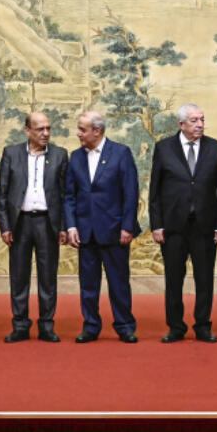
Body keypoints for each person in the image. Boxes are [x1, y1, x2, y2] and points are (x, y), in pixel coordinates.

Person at [149, 103, 217, 343]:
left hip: (205, 226)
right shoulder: (164, 148)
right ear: (181, 124)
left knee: (205, 279)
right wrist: (156, 224)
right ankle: (176, 327)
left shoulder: (216, 148)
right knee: (173, 279)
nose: (200, 125)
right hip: (173, 227)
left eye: (202, 120)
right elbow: (155, 190)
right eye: (194, 120)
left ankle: (203, 326)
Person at [64, 111, 140, 343]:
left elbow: (131, 192)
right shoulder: (75, 157)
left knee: (119, 282)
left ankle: (125, 325)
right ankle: (91, 326)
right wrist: (71, 226)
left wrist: (127, 227)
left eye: (82, 129)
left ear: (97, 131)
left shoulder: (121, 153)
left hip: (115, 231)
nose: (78, 133)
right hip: (85, 231)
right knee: (88, 284)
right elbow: (69, 195)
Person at [0, 111, 68, 343]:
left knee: (48, 277)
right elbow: (3, 194)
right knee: (19, 277)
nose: (45, 133)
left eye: (48, 128)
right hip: (20, 224)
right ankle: (20, 325)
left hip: (48, 223)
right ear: (27, 130)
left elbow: (66, 194)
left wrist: (64, 226)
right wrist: (5, 226)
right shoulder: (11, 153)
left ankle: (47, 326)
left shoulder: (59, 155)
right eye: (40, 129)